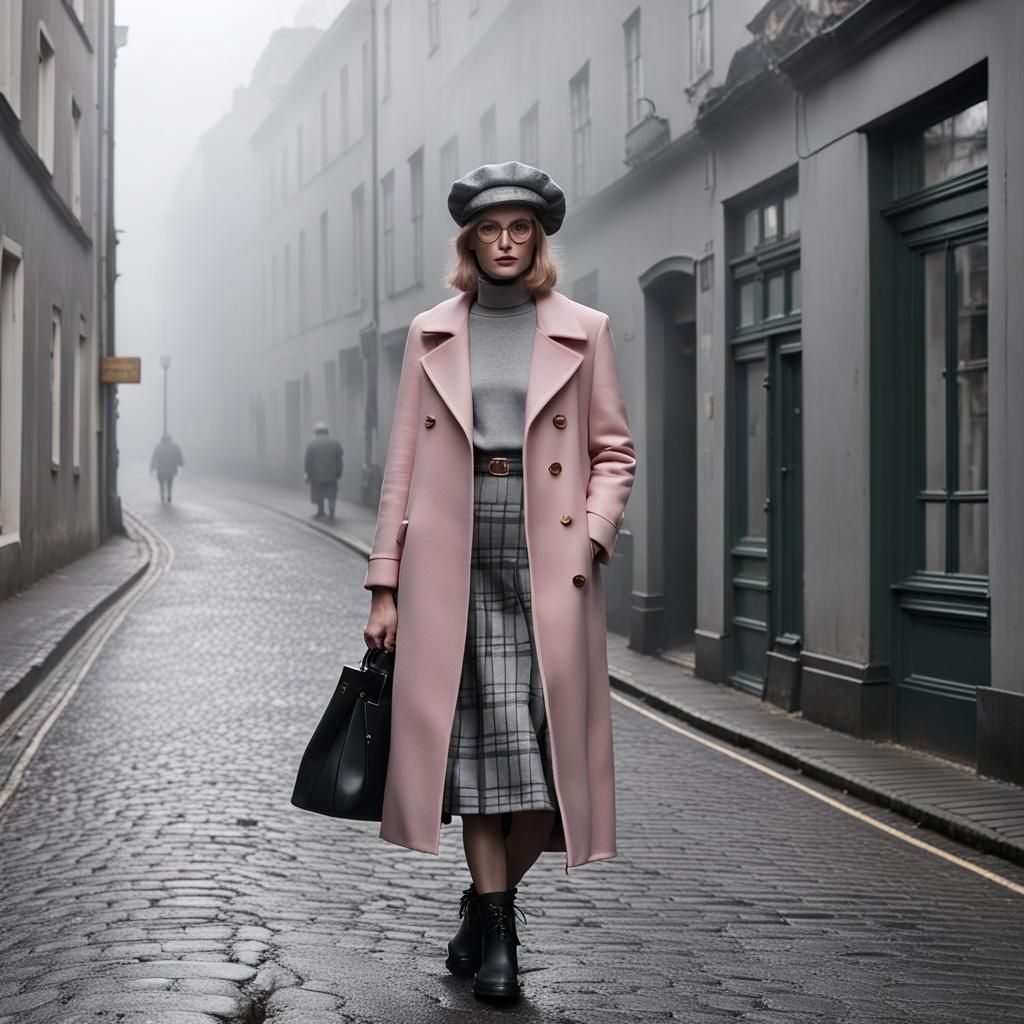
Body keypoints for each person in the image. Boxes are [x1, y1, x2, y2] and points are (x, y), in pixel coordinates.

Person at [362, 162, 636, 1002]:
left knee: (553, 771)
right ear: (470, 241)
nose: (506, 242)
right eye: (491, 229)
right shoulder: (430, 332)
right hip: (452, 549)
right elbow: (402, 465)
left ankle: (485, 907)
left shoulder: (585, 328)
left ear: (538, 238)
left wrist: (590, 539)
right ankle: (498, 935)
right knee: (485, 750)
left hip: (549, 550)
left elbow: (614, 453)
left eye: (520, 228)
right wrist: (384, 584)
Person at [304, 423, 344, 519]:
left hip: (316, 474)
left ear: (316, 432)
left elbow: (307, 461)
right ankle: (331, 513)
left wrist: (308, 474)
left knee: (318, 493)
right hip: (332, 474)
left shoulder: (311, 444)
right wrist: (338, 473)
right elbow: (339, 460)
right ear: (327, 432)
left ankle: (320, 511)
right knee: (331, 494)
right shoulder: (335, 443)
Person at [149, 434, 184, 503]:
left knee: (161, 483)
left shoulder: (159, 446)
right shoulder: (175, 446)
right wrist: (181, 463)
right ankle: (169, 495)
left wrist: (152, 467)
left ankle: (162, 495)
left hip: (161, 468)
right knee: (170, 482)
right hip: (171, 467)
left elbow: (154, 457)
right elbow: (178, 455)